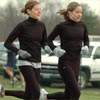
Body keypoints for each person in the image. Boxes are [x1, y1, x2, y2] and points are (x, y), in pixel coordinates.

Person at [40, 2, 89, 100]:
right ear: (69, 13)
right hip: (64, 62)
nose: (79, 14)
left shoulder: (82, 26)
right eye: (77, 12)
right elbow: (48, 40)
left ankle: (45, 97)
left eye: (81, 12)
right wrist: (55, 49)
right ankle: (45, 96)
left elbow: (86, 40)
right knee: (76, 92)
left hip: (76, 62)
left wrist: (86, 46)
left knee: (68, 95)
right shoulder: (62, 26)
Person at [0, 0, 47, 100]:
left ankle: (3, 91)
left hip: (37, 62)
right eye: (36, 9)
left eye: (40, 10)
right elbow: (7, 43)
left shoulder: (42, 26)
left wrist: (49, 48)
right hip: (24, 62)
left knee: (29, 95)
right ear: (29, 11)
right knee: (36, 90)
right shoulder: (22, 26)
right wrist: (19, 51)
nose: (39, 11)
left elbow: (43, 42)